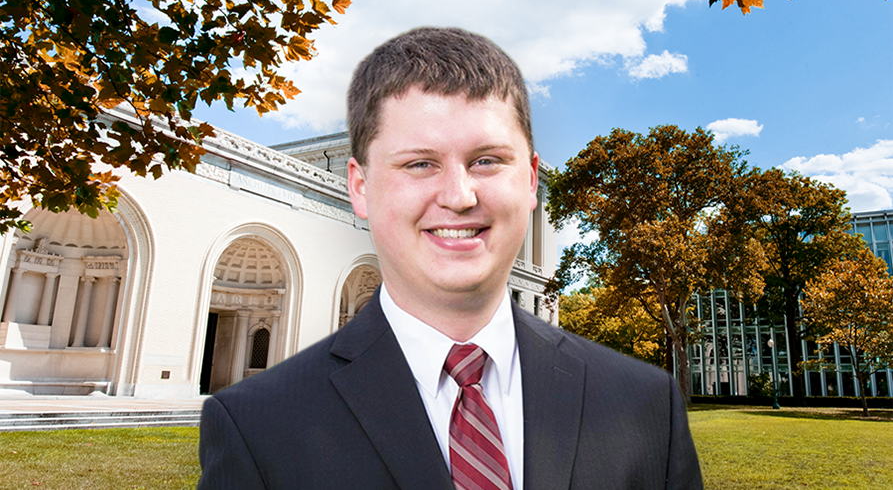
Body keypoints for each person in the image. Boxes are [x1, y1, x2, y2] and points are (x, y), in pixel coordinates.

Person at [197, 27, 702, 490]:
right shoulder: (255, 427)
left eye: (486, 160)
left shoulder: (645, 406)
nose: (459, 196)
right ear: (360, 186)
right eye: (420, 163)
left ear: (529, 180)